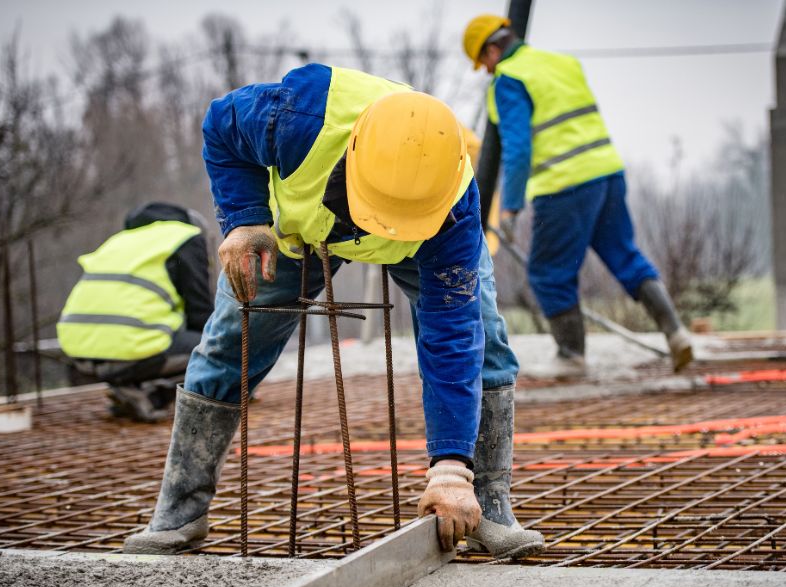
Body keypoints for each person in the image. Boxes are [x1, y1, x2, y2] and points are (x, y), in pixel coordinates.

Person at [121, 64, 545, 559]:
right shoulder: (296, 117)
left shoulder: (454, 208)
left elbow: (454, 338)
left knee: (486, 341)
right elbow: (220, 125)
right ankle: (179, 511)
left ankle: (487, 506)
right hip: (301, 233)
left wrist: (451, 467)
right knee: (229, 343)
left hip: (422, 247)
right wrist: (244, 220)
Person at [463, 15, 694, 375]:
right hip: (607, 174)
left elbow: (518, 149)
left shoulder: (509, 80)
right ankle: (677, 333)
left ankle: (571, 356)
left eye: (484, 63)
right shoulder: (561, 63)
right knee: (624, 254)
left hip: (563, 186)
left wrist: (510, 209)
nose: (487, 71)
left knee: (547, 272)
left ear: (492, 50)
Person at [57, 202, 212, 422]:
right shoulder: (186, 236)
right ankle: (152, 395)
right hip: (131, 349)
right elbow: (200, 313)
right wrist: (230, 374)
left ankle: (127, 388)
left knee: (158, 342)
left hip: (78, 353)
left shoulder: (119, 240)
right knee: (221, 347)